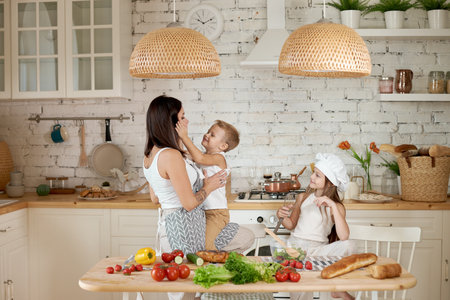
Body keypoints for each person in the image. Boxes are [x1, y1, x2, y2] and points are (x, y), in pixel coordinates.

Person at [277, 153, 355, 300]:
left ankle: (338, 288)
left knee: (349, 245)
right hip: (296, 249)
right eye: (314, 172)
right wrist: (281, 216)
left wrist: (332, 205)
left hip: (318, 252)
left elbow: (344, 237)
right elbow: (291, 225)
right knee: (301, 292)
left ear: (330, 183)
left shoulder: (337, 207)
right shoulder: (303, 197)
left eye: (318, 175)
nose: (312, 177)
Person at [176, 119, 239, 250]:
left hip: (216, 213)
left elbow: (199, 158)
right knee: (197, 244)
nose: (207, 135)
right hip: (201, 212)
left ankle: (219, 264)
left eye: (212, 135)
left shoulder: (219, 158)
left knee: (206, 246)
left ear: (223, 146)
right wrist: (178, 136)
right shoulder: (203, 155)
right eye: (208, 132)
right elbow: (182, 154)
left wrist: (184, 136)